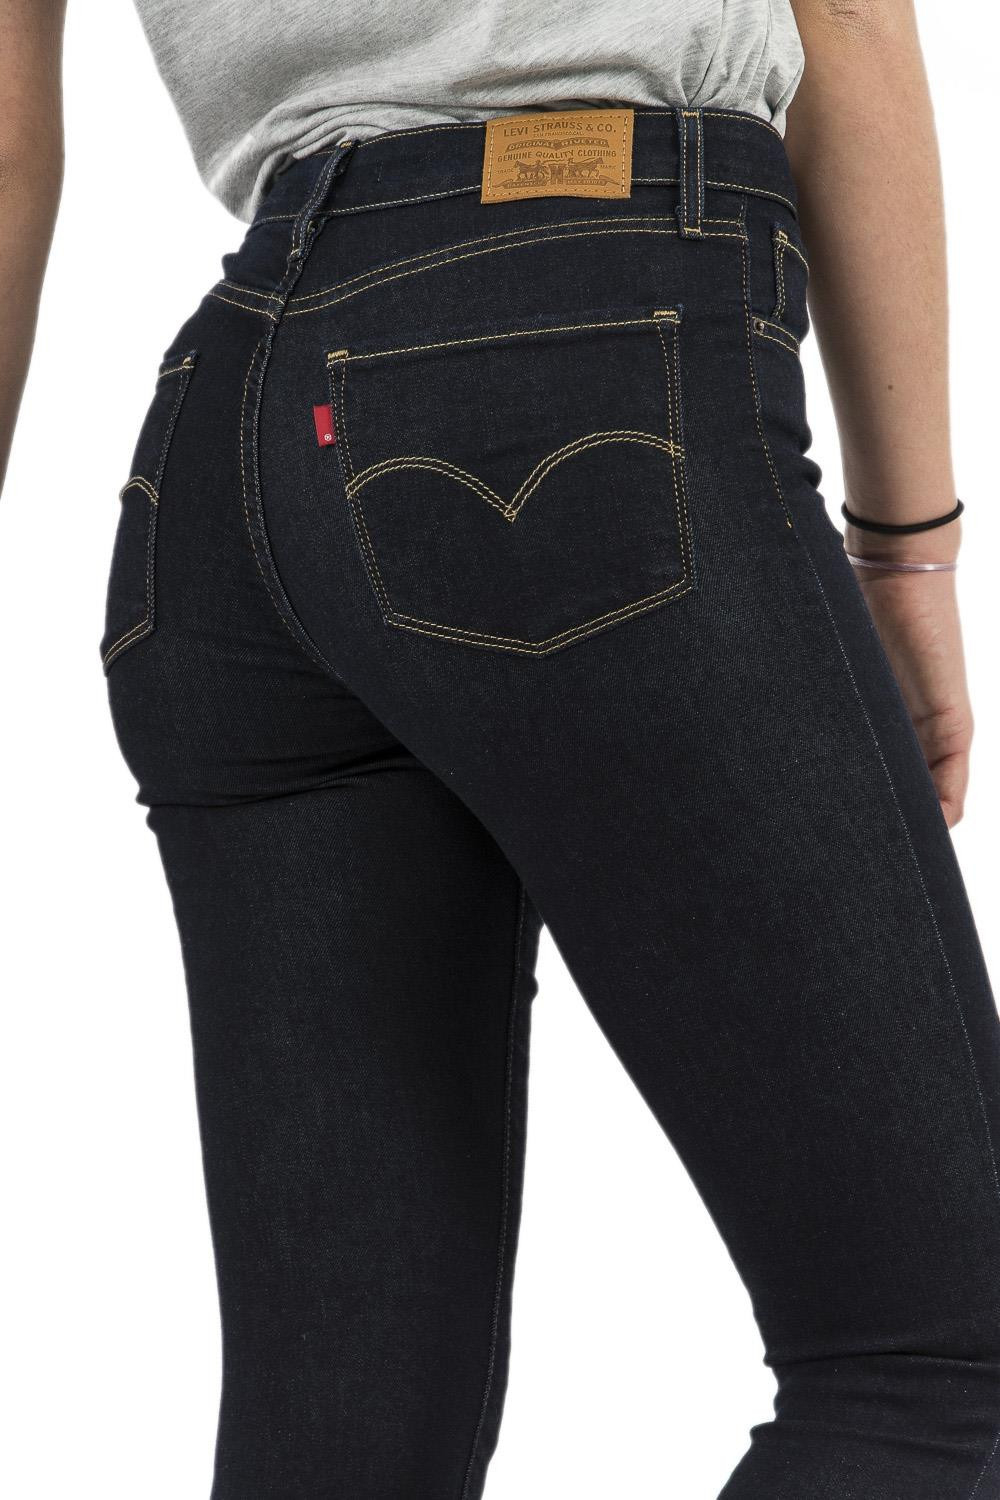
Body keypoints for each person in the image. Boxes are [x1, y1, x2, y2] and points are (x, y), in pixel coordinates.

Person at [4, 2, 999, 1496]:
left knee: (343, 1444)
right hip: (584, 343)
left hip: (223, 463)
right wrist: (909, 552)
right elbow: (846, 19)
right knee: (947, 1366)